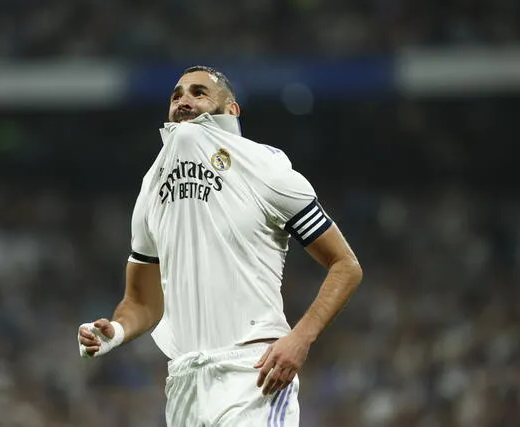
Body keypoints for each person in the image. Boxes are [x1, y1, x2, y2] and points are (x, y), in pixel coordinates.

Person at [77, 65, 363, 426]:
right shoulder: (151, 188)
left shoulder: (265, 168)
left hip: (252, 373)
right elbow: (142, 301)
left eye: (199, 92)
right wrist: (115, 332)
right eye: (176, 94)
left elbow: (345, 265)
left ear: (232, 110)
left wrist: (300, 339)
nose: (183, 100)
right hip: (184, 384)